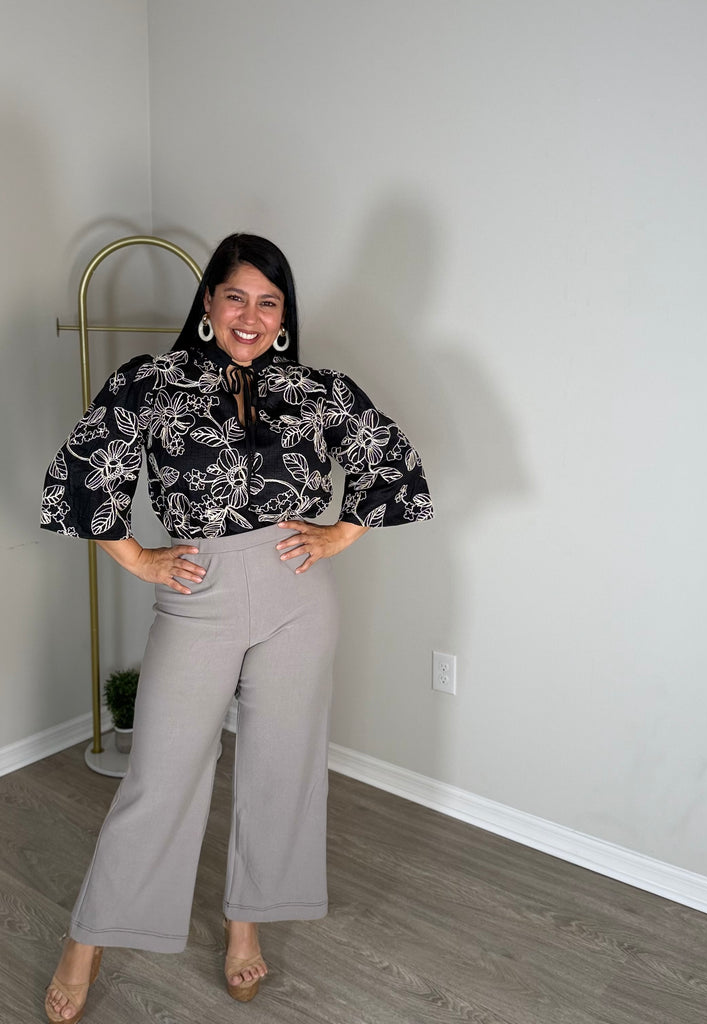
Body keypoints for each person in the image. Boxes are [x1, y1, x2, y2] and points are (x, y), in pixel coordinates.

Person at [40, 233, 433, 1022]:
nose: (250, 316)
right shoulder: (150, 383)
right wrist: (141, 560)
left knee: (281, 769)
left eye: (268, 301)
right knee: (160, 777)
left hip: (297, 596)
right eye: (236, 297)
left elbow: (393, 462)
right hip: (201, 592)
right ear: (208, 304)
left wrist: (337, 532)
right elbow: (84, 471)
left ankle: (245, 927)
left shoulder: (318, 388)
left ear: (284, 316)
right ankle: (87, 939)